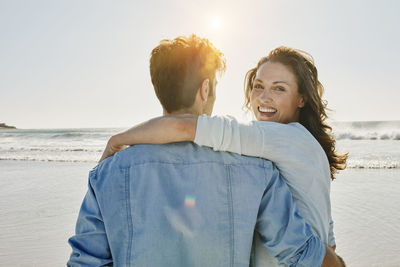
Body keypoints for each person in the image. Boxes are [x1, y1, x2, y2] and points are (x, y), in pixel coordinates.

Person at [68, 35, 345, 266]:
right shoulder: (258, 170)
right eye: (258, 86)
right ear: (205, 90)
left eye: (278, 88)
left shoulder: (107, 173)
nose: (263, 97)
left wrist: (117, 142)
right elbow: (299, 251)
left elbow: (86, 261)